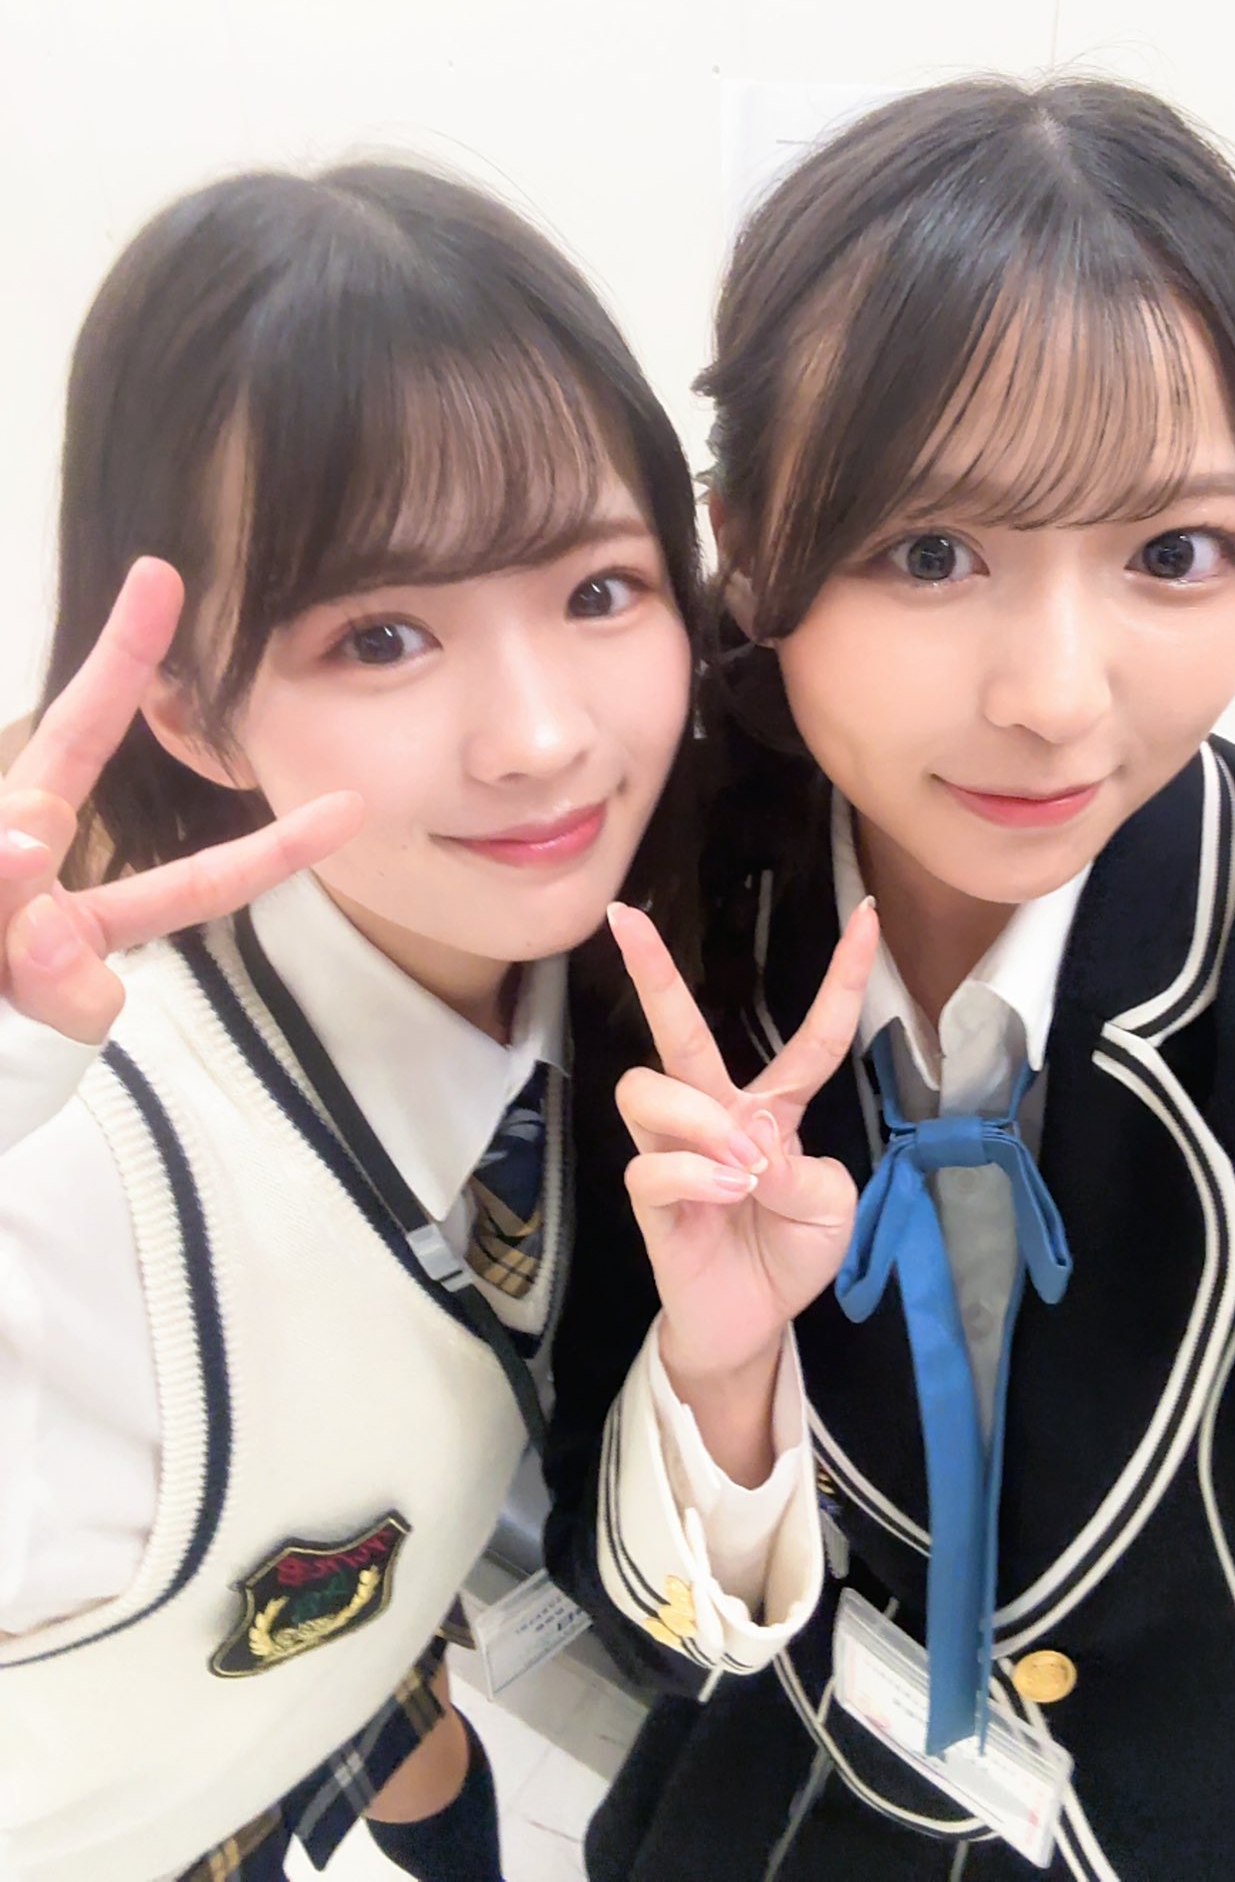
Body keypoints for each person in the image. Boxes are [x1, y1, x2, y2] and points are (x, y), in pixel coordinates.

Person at [546, 77, 1235, 1881]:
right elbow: (643, 1623)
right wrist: (722, 1378)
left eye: (1172, 553)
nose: (1058, 699)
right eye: (933, 553)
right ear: (749, 545)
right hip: (816, 1818)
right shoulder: (663, 936)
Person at [0, 161, 807, 1882]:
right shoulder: (85, 1179)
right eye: (379, 636)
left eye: (599, 590)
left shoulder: (605, 982)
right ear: (193, 713)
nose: (538, 738)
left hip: (348, 1675)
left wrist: (725, 1371)